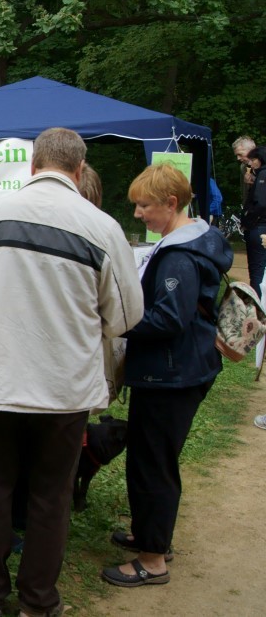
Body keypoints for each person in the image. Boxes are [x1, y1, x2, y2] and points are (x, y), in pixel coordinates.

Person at [0, 127, 144, 617]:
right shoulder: (101, 227)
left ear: (32, 166)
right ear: (79, 169)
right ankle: (37, 602)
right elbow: (125, 317)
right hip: (62, 389)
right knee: (50, 497)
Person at [101, 163, 233, 588]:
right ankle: (148, 534)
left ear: (171, 204)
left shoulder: (179, 255)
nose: (138, 214)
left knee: (153, 463)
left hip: (172, 374)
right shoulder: (199, 236)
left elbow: (168, 319)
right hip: (180, 368)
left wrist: (116, 320)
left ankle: (153, 560)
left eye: (144, 206)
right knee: (148, 456)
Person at [240, 146, 266, 297]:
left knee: (257, 271)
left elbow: (261, 203)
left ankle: (256, 307)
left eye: (253, 160)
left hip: (259, 227)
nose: (251, 164)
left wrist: (249, 219)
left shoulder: (263, 173)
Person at [233, 136, 257, 204]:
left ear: (251, 151)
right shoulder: (243, 167)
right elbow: (244, 190)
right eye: (236, 155)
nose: (238, 158)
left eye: (240, 154)